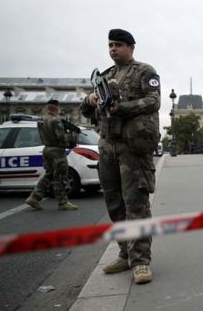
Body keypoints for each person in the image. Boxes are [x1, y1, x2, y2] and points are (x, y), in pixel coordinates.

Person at [80, 29, 161, 284]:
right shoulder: (105, 76)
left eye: (118, 45)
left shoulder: (144, 71)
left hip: (132, 148)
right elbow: (86, 110)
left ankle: (141, 262)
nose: (113, 49)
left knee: (136, 204)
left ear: (131, 47)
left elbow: (153, 100)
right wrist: (91, 99)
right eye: (110, 45)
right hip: (107, 146)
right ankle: (125, 253)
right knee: (114, 204)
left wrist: (121, 107)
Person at [25, 100, 79, 211]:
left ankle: (34, 197)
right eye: (58, 108)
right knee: (60, 177)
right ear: (56, 108)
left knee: (49, 175)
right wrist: (70, 136)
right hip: (57, 151)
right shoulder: (56, 121)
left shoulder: (42, 120)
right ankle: (63, 202)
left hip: (47, 149)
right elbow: (61, 138)